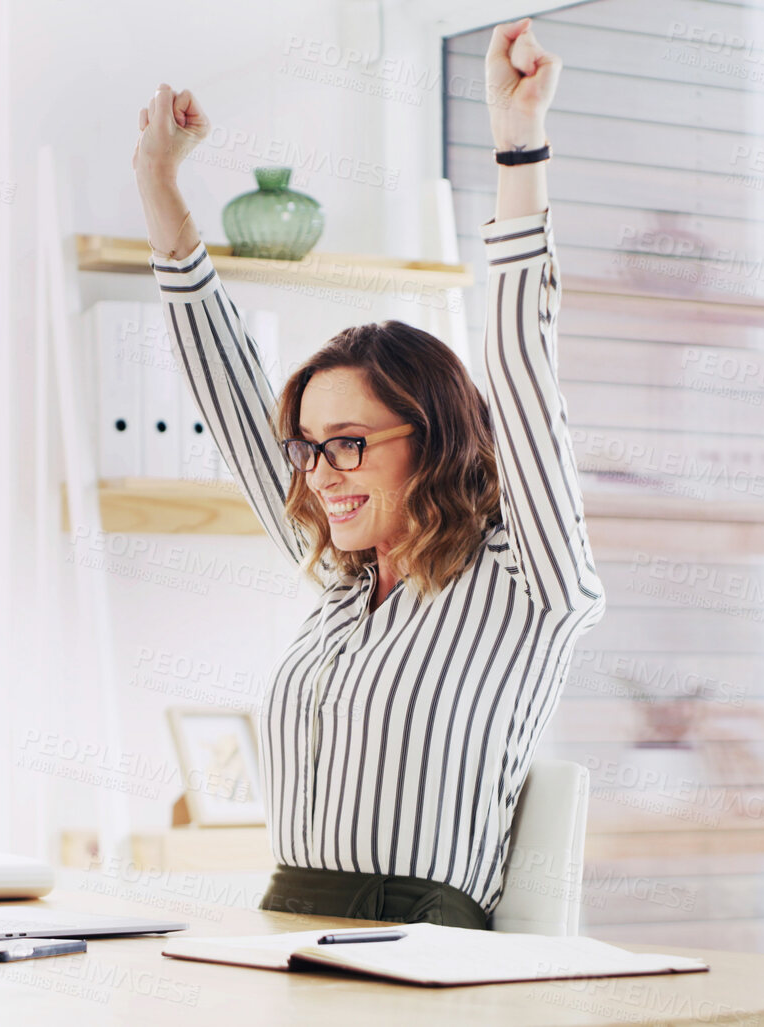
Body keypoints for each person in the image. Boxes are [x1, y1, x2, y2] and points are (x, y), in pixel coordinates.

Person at [131, 18, 604, 928]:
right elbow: (232, 408)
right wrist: (159, 185)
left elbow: (523, 369)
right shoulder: (346, 584)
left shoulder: (526, 577)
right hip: (288, 925)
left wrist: (517, 147)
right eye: (308, 447)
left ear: (432, 437)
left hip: (419, 949)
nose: (317, 474)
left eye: (346, 441)